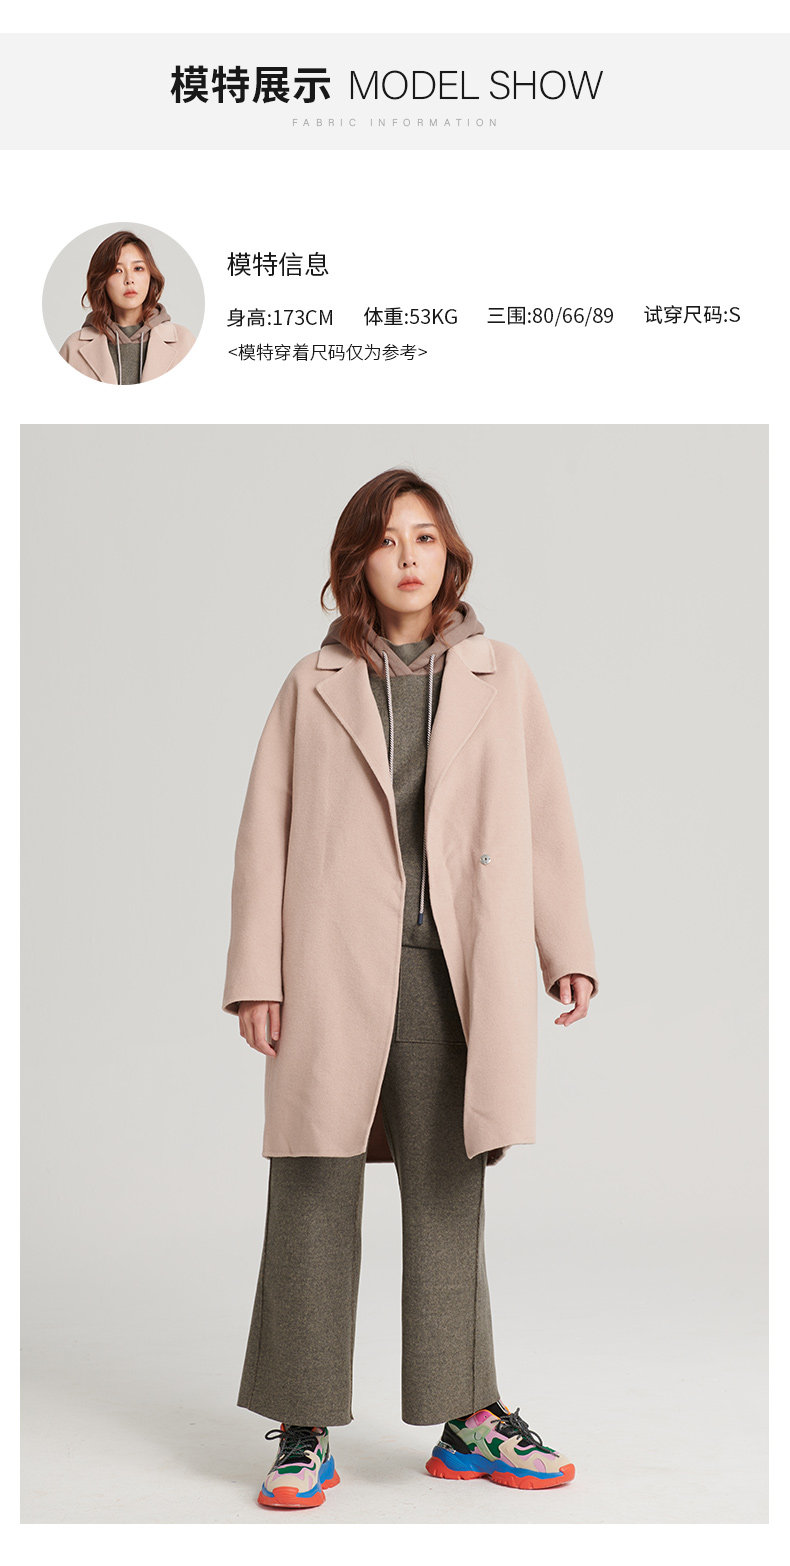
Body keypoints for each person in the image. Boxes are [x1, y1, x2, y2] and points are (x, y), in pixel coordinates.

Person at [222, 468, 599, 1511]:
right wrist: (256, 973)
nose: (409, 556)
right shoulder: (312, 683)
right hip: (330, 969)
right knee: (311, 1185)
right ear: (358, 559)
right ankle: (302, 1423)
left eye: (425, 536)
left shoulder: (501, 675)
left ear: (449, 554)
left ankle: (468, 1416)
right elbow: (263, 833)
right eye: (388, 539)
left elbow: (545, 817)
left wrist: (564, 945)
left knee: (447, 1190)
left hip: (451, 971)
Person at [59, 230, 196, 384]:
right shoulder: (73, 348)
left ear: (150, 276)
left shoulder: (184, 343)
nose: (129, 279)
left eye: (138, 268)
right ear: (102, 281)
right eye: (117, 270)